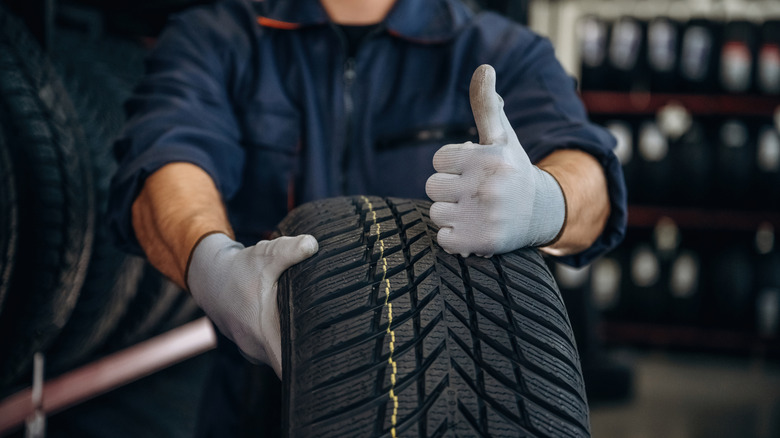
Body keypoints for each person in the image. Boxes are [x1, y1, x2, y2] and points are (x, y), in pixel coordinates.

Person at [107, 0, 627, 434]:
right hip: (255, 396)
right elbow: (168, 155)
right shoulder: (218, 36)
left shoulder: (501, 50)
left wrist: (545, 200)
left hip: (457, 403)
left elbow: (591, 177)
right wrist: (209, 262)